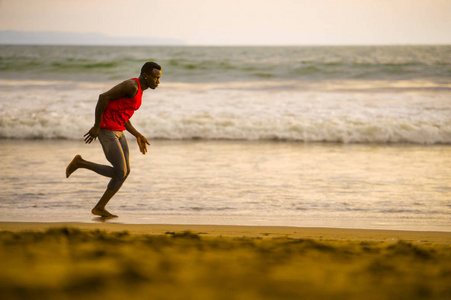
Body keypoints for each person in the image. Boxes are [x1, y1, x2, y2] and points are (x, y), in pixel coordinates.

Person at [65, 62, 162, 218]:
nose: (158, 82)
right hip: (107, 130)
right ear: (146, 76)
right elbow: (103, 97)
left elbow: (123, 117)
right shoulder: (131, 86)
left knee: (125, 172)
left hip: (118, 130)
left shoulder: (139, 92)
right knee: (119, 171)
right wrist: (97, 126)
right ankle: (80, 163)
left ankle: (99, 208)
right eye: (156, 78)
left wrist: (138, 135)